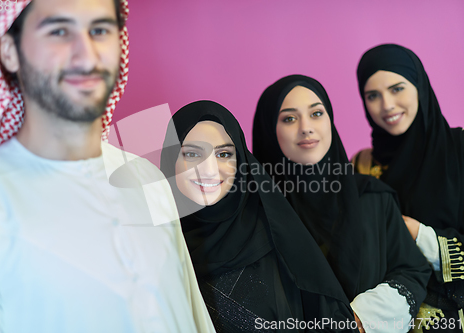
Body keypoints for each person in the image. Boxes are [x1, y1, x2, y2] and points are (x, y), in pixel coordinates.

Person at [0, 1, 215, 332]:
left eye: (99, 30)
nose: (87, 55)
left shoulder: (147, 179)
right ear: (9, 52)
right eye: (59, 31)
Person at [160, 100, 359, 332]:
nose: (209, 168)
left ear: (242, 163)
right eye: (192, 154)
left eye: (224, 154)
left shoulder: (276, 241)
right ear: (170, 159)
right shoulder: (154, 246)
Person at [253, 75, 431, 333]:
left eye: (316, 113)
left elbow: (412, 270)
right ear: (269, 130)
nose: (306, 127)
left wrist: (363, 318)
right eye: (289, 118)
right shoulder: (255, 213)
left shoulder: (372, 197)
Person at [353, 43, 464, 331]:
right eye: (372, 95)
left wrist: (420, 236)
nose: (387, 105)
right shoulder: (360, 167)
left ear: (419, 85)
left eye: (397, 88)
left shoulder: (460, 151)